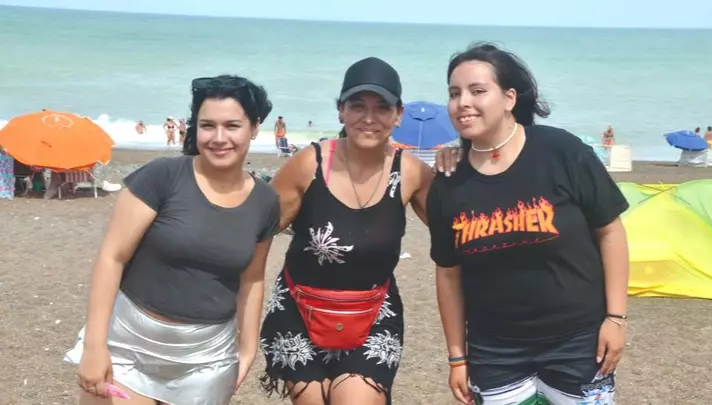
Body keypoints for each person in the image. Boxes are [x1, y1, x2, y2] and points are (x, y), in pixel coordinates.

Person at [429, 42, 630, 405]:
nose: (463, 103)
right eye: (454, 93)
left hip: (579, 342)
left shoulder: (562, 152)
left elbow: (610, 231)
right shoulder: (449, 179)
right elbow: (448, 274)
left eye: (477, 91)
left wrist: (615, 318)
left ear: (509, 98)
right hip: (494, 351)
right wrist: (457, 357)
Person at [64, 74, 279, 405]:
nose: (219, 138)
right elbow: (112, 256)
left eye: (232, 126)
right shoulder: (162, 176)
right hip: (128, 346)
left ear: (254, 127)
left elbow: (252, 279)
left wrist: (248, 349)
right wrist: (95, 345)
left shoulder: (265, 201)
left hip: (207, 358)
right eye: (207, 125)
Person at [259, 56, 433, 405]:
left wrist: (466, 159)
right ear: (341, 111)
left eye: (382, 107)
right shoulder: (308, 164)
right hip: (299, 309)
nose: (369, 118)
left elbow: (462, 231)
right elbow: (256, 229)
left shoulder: (412, 172)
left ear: (398, 114)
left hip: (374, 312)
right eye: (357, 106)